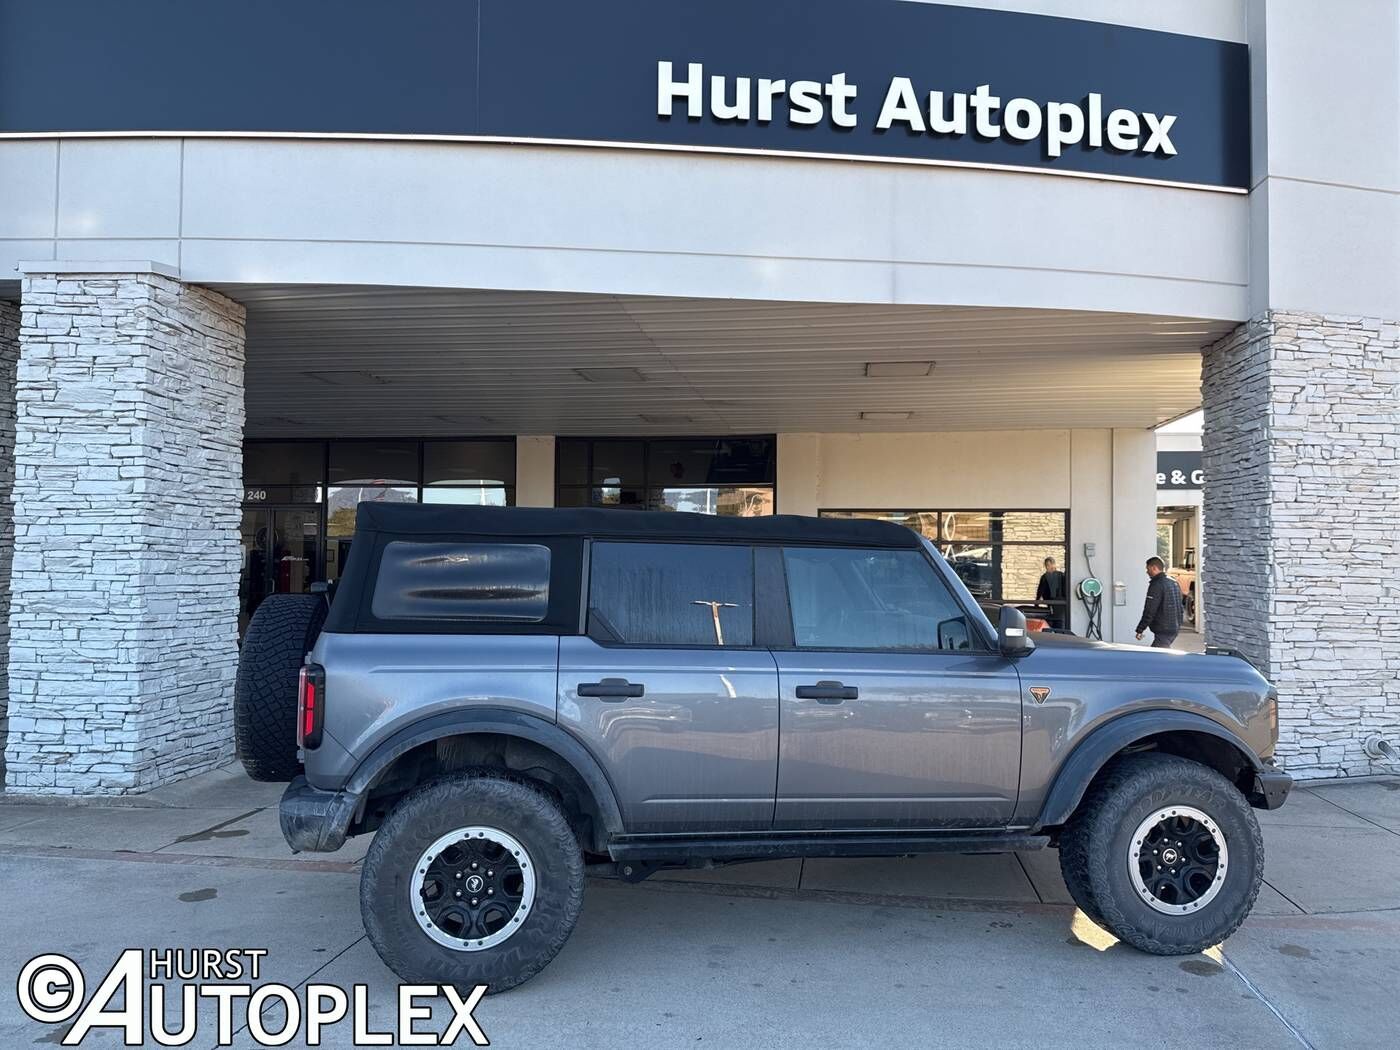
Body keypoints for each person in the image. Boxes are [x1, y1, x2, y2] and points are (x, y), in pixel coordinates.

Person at [1136, 556, 1184, 648]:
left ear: (1154, 568)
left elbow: (1150, 609)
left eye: (1148, 569)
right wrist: (1179, 623)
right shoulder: (1173, 582)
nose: (1147, 572)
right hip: (1174, 628)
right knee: (1161, 655)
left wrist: (1140, 629)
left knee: (1157, 659)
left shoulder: (1156, 584)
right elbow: (1180, 607)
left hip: (1163, 630)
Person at [1035, 556, 1067, 629]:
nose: (1050, 567)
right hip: (1051, 602)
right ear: (1046, 566)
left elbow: (1065, 589)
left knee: (1060, 622)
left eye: (1051, 564)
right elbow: (1040, 590)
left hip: (1061, 603)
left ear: (1054, 564)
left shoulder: (1061, 575)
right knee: (1053, 621)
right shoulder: (1044, 577)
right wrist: (1036, 603)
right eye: (1048, 565)